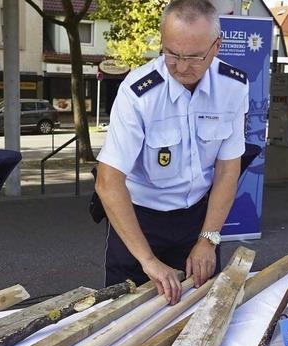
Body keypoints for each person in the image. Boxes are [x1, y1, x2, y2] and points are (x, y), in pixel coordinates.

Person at [96, 0, 249, 305]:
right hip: (139, 223)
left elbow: (228, 170)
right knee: (125, 323)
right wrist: (148, 260)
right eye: (171, 54)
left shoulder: (233, 87)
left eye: (193, 57)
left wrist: (209, 239)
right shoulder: (138, 92)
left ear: (216, 47)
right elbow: (107, 181)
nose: (180, 67)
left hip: (198, 221)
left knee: (198, 317)